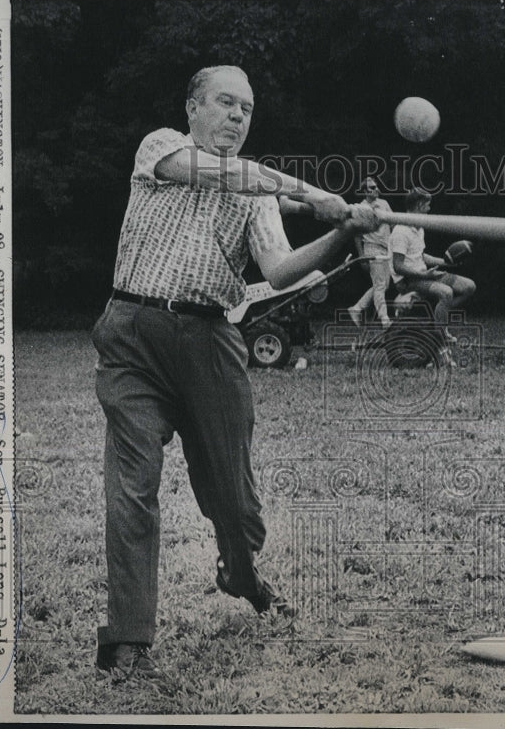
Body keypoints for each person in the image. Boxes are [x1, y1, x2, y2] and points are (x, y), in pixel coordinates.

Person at [91, 65, 376, 680]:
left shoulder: (259, 194)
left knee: (236, 502)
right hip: (134, 333)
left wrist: (341, 234)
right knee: (132, 489)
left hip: (212, 343)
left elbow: (278, 270)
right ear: (193, 107)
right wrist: (312, 193)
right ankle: (129, 638)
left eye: (247, 109)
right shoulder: (162, 147)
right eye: (225, 102)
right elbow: (215, 172)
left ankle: (239, 568)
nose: (238, 116)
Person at [389, 188, 476, 362]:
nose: (429, 208)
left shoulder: (419, 227)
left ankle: (437, 323)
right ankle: (440, 342)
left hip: (424, 274)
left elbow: (421, 256)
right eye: (428, 204)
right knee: (446, 293)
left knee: (469, 287)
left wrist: (445, 262)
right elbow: (398, 266)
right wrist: (425, 275)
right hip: (409, 281)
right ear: (419, 205)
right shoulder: (400, 231)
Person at [347, 177, 394, 329]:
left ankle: (357, 308)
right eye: (372, 188)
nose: (376, 189)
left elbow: (392, 223)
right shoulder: (361, 209)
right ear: (364, 192)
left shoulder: (384, 204)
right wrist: (361, 256)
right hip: (372, 248)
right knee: (380, 285)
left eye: (376, 186)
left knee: (383, 285)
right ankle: (385, 319)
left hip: (386, 248)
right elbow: (357, 235)